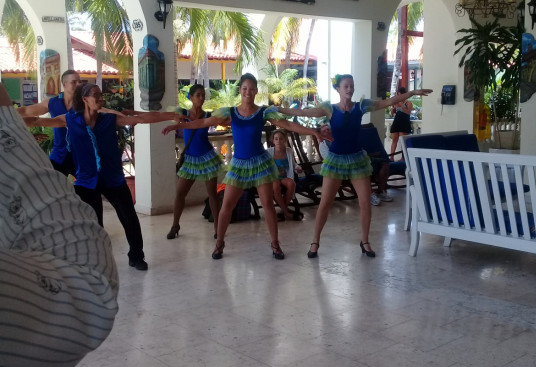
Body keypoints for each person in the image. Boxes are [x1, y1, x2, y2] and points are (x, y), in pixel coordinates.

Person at [0, 83, 118, 367]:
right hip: (65, 164)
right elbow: (90, 288)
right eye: (73, 83)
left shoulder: (103, 116)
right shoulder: (60, 109)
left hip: (89, 171)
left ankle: (137, 253)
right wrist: (11, 119)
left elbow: (133, 117)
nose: (76, 86)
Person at [162, 73, 325, 260]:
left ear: (256, 91)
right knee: (227, 206)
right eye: (245, 88)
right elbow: (204, 122)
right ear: (240, 90)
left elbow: (287, 124)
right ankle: (219, 244)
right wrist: (178, 126)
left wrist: (313, 132)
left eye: (251, 89)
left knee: (267, 205)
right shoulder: (230, 112)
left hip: (260, 164)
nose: (248, 92)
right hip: (239, 165)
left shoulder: (263, 112)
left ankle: (275, 244)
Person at [24, 83, 180, 271]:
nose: (100, 98)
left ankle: (136, 256)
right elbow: (36, 122)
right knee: (94, 223)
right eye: (95, 95)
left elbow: (140, 118)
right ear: (85, 99)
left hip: (112, 178)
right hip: (86, 180)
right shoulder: (71, 120)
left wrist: (171, 115)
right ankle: (97, 260)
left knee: (129, 218)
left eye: (101, 94)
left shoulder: (109, 119)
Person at [277, 74, 431, 259]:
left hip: (357, 160)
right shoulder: (329, 108)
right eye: (346, 86)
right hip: (335, 160)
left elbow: (388, 102)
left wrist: (412, 92)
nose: (349, 89)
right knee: (325, 203)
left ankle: (365, 241)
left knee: (365, 203)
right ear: (338, 89)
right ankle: (315, 241)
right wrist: (279, 109)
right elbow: (303, 113)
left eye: (351, 86)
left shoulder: (361, 106)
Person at [166, 83, 223, 240]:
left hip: (207, 158)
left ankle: (217, 227)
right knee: (180, 193)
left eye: (203, 95)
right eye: (198, 95)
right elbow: (165, 116)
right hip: (190, 160)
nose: (201, 98)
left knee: (212, 194)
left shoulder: (208, 115)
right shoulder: (183, 113)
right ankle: (175, 225)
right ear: (190, 97)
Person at [16, 69, 82, 176]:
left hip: (81, 156)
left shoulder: (86, 104)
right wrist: (5, 113)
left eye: (80, 82)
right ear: (64, 84)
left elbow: (102, 112)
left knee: (93, 185)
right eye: (74, 82)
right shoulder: (53, 103)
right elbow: (25, 111)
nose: (78, 85)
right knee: (49, 183)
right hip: (58, 156)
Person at [267, 129, 302, 221]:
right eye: (276, 139)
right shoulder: (269, 152)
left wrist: (298, 167)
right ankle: (287, 213)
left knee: (291, 183)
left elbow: (293, 164)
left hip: (285, 176)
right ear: (273, 141)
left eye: (281, 139)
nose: (278, 141)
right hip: (273, 177)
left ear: (285, 140)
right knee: (276, 186)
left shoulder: (289, 151)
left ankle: (283, 210)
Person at [389, 86, 413, 160]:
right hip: (397, 121)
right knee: (394, 140)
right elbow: (392, 114)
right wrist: (393, 109)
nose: (399, 97)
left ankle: (403, 158)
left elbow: (408, 113)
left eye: (401, 95)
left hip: (404, 122)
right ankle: (391, 157)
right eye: (398, 95)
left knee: (403, 141)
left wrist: (402, 106)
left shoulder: (408, 102)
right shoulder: (396, 102)